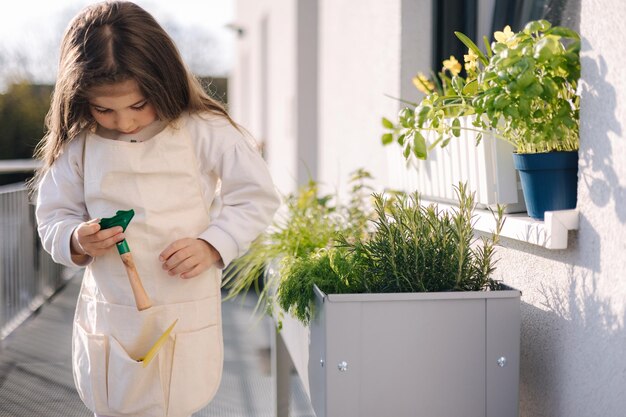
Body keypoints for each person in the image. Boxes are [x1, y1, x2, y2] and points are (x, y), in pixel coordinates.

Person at [34, 2, 280, 416]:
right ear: (79, 99)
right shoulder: (80, 143)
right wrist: (76, 239)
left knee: (176, 399)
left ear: (164, 82)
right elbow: (52, 215)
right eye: (104, 109)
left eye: (137, 105)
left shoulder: (204, 129)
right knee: (115, 399)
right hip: (112, 313)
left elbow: (255, 196)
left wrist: (212, 244)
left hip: (184, 306)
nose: (125, 123)